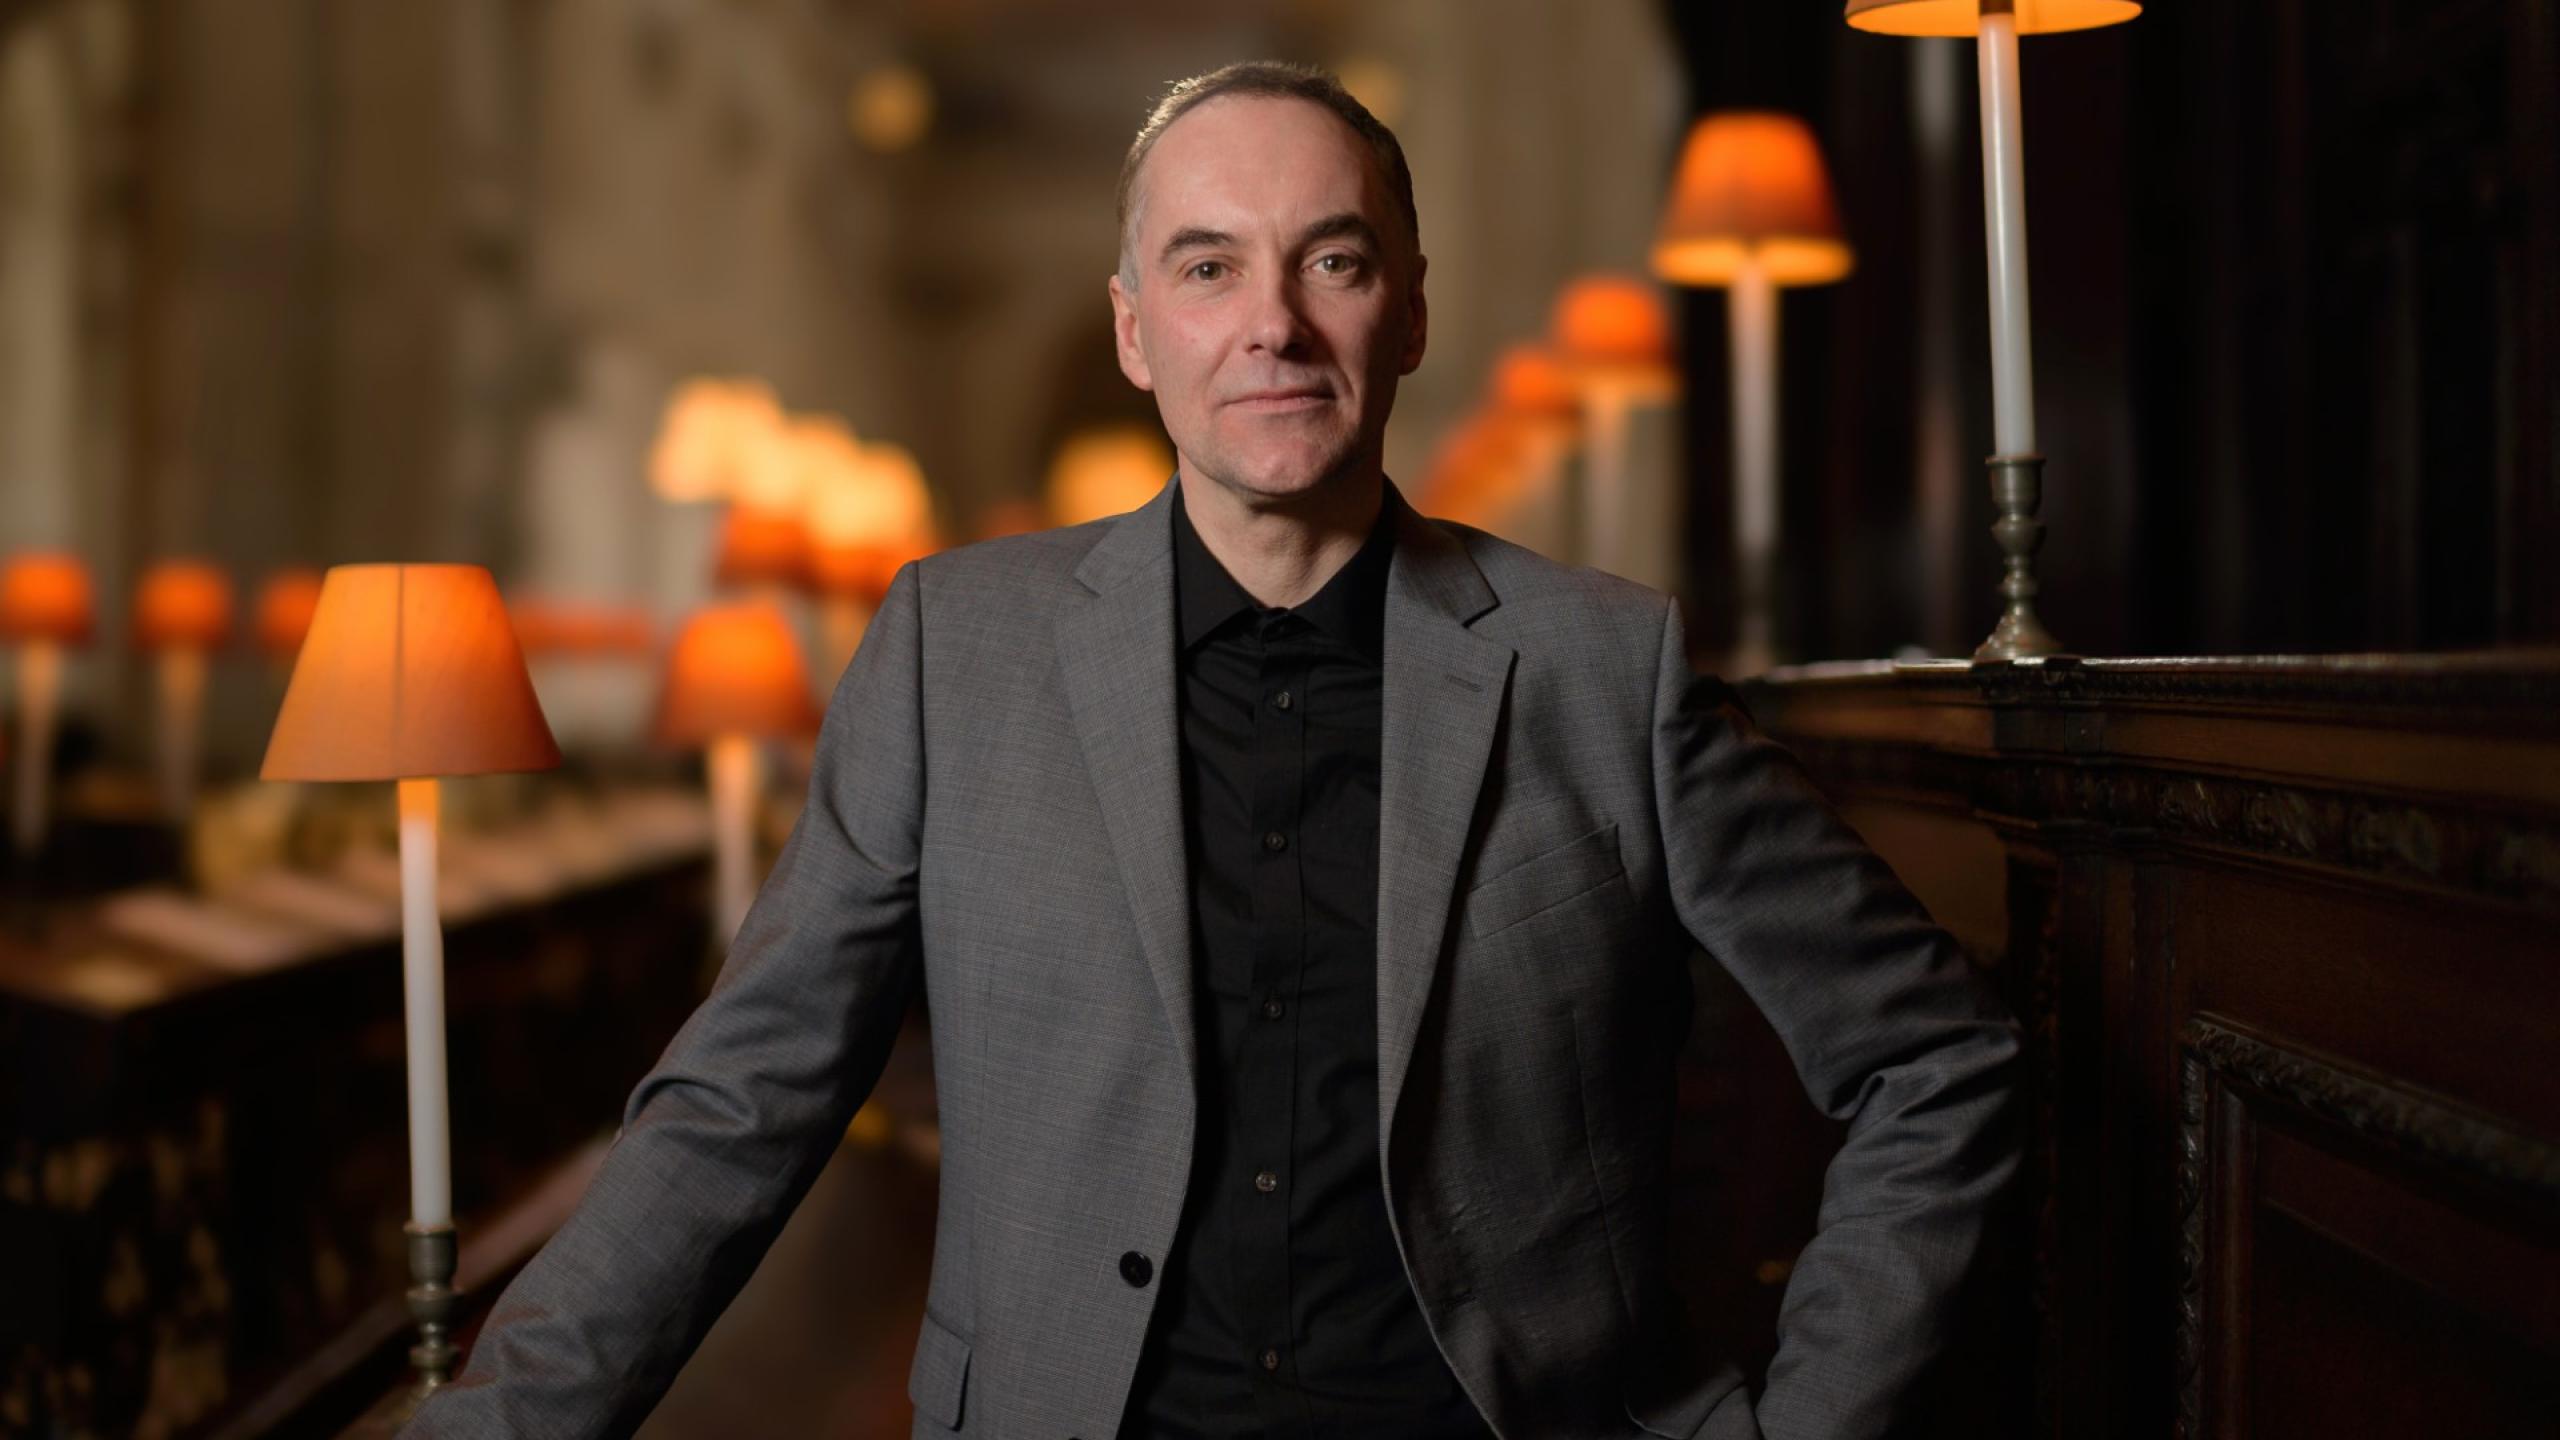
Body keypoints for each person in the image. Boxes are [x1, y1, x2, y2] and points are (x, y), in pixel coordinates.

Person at [408, 61, 2019, 1440]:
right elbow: (736, 1109)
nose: (1272, 327)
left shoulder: (1605, 668)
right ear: (1132, 333)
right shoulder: (951, 655)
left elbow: (1938, 1060)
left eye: (1331, 261)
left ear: (1408, 313)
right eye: (1206, 270)